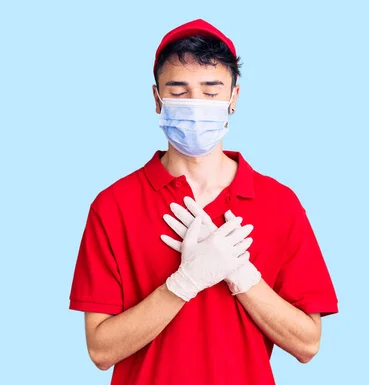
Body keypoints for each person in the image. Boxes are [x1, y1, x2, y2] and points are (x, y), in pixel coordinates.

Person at [68, 18, 338, 385]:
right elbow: (100, 350)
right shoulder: (114, 206)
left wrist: (241, 275)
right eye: (178, 92)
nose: (195, 105)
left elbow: (307, 343)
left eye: (211, 92)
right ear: (156, 98)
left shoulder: (280, 204)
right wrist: (184, 282)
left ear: (234, 98)